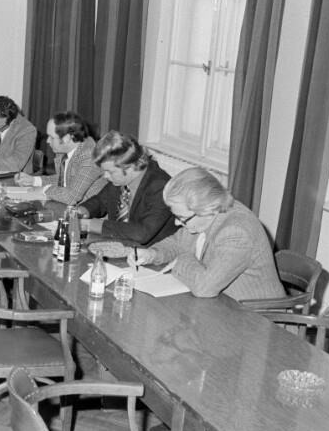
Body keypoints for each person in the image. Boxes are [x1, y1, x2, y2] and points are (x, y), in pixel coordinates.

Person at [128, 167, 285, 301]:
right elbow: (177, 242)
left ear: (206, 210)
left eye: (181, 218)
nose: (176, 223)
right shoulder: (206, 215)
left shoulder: (236, 233)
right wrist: (152, 254)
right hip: (222, 305)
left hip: (256, 317)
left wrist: (181, 259)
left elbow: (204, 288)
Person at [76, 131, 175, 246]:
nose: (105, 176)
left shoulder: (161, 187)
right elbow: (101, 201)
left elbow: (141, 233)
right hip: (118, 245)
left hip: (148, 251)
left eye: (110, 171)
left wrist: (89, 225)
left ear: (131, 167)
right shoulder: (121, 179)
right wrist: (83, 211)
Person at [14, 111, 106, 206]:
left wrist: (43, 189)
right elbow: (64, 180)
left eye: (52, 137)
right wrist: (34, 181)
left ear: (67, 138)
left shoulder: (90, 157)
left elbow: (71, 197)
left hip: (84, 211)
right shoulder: (64, 150)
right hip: (66, 206)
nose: (48, 141)